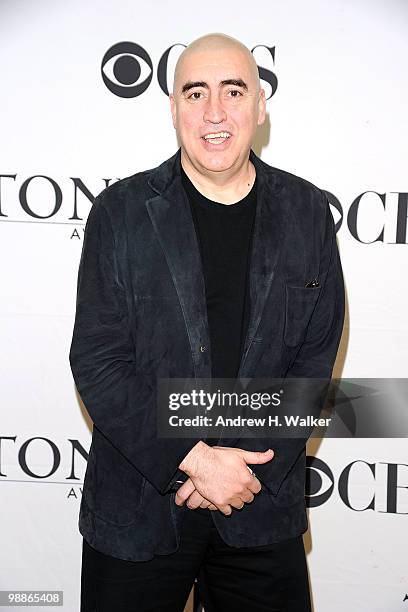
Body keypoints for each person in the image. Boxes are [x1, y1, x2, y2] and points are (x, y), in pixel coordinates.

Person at [69, 32, 345, 612]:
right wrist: (195, 459)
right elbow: (99, 361)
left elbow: (313, 363)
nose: (214, 112)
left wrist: (238, 471)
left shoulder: (308, 214)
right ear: (172, 109)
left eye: (233, 90)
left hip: (259, 504)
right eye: (195, 94)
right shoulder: (119, 215)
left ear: (261, 104)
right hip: (139, 511)